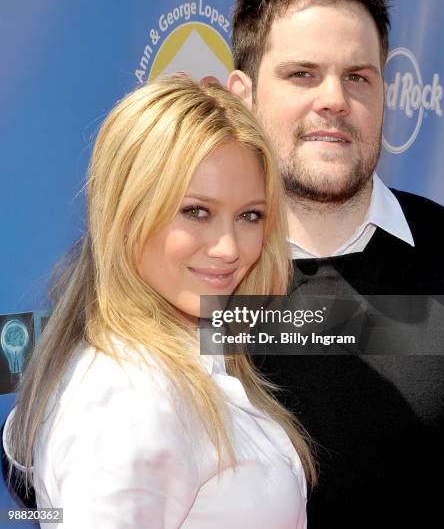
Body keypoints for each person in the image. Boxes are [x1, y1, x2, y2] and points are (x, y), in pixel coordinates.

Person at [3, 74, 316, 528]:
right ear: (128, 212)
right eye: (196, 212)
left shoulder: (191, 360)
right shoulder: (129, 396)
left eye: (250, 215)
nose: (229, 248)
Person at [228, 0, 444, 529]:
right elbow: (46, 450)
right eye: (302, 74)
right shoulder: (183, 265)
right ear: (241, 97)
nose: (335, 100)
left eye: (358, 77)